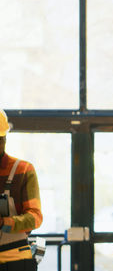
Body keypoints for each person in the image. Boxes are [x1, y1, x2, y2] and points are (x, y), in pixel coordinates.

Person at [0, 109, 42, 271]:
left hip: (15, 260)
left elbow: (35, 218)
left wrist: (5, 223)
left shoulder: (22, 170)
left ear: (4, 140)